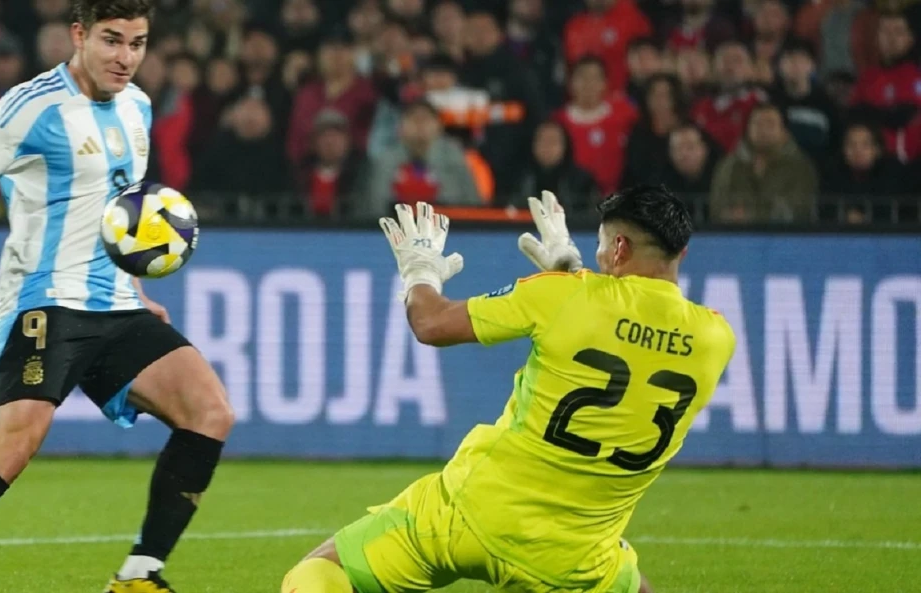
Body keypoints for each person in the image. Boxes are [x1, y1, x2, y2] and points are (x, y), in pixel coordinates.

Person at [0, 2, 234, 592]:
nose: (125, 57)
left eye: (137, 43)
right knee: (11, 448)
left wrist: (132, 288)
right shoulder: (31, 107)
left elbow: (116, 210)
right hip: (44, 302)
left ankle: (140, 575)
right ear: (78, 35)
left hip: (115, 305)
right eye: (111, 40)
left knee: (210, 412)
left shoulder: (138, 107)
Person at [281, 186, 737, 593]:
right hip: (577, 557)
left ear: (619, 248)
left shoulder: (564, 296)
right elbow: (631, 329)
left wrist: (419, 269)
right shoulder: (716, 340)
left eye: (601, 247)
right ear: (682, 252)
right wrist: (574, 271)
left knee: (319, 573)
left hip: (473, 514)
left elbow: (431, 322)